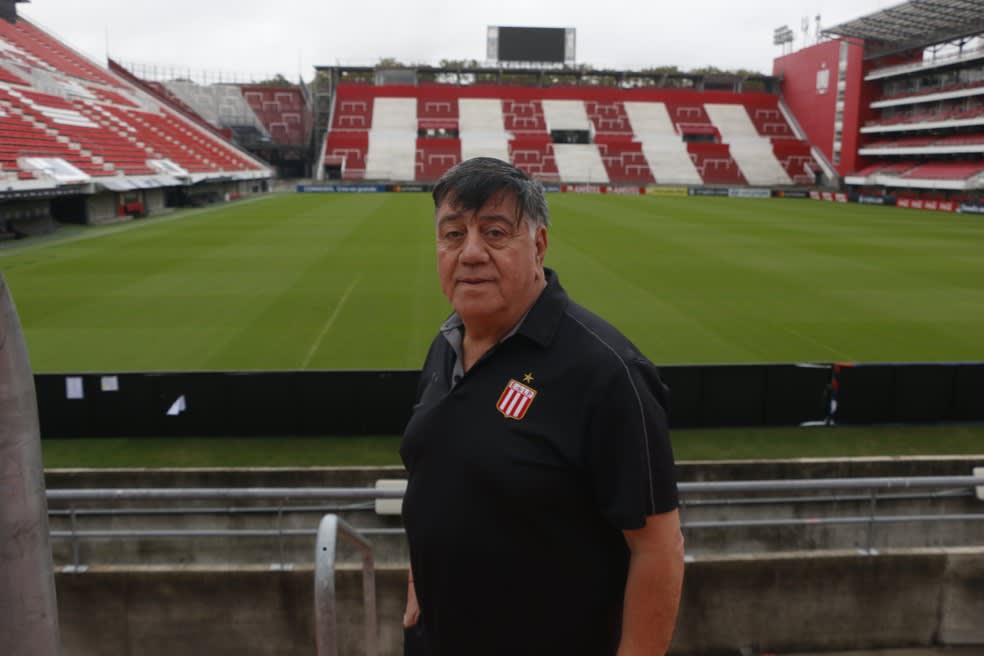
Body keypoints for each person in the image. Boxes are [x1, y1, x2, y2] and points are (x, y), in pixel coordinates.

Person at [400, 157, 684, 656]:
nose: (469, 254)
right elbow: (434, 474)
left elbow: (658, 547)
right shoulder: (446, 344)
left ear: (539, 245)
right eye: (451, 235)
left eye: (494, 233)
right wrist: (416, 585)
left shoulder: (607, 373)